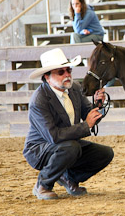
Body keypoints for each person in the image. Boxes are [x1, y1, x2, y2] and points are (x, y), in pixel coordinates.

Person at [24, 48, 114, 200]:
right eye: (61, 72)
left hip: (67, 145)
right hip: (40, 149)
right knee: (71, 148)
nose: (67, 75)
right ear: (47, 77)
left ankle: (68, 178)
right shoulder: (39, 101)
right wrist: (86, 125)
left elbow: (89, 115)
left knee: (105, 153)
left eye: (68, 70)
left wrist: (98, 106)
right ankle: (43, 185)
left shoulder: (74, 88)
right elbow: (54, 136)